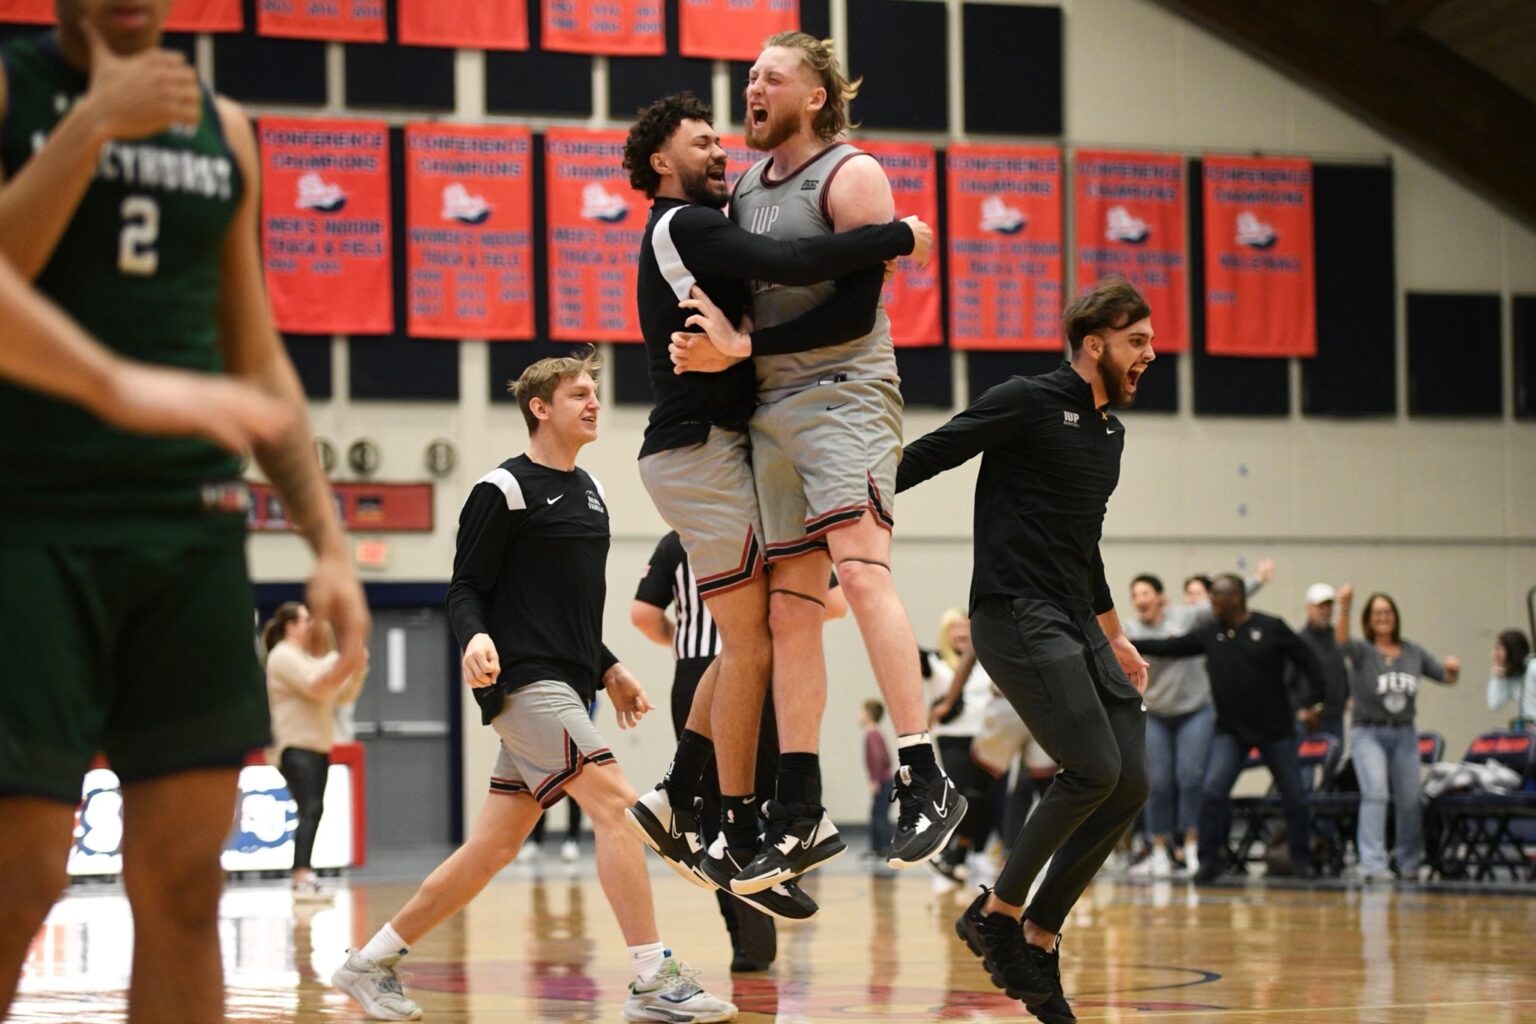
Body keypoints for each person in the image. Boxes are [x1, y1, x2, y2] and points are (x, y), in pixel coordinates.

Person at [0, 6, 370, 1021]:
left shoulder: (226, 127)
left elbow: (250, 350)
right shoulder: (13, 87)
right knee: (20, 871)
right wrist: (90, 128)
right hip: (30, 517)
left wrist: (326, 539)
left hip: (189, 526)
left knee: (185, 884)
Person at [330, 354, 734, 1024]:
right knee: (618, 809)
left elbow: (561, 610)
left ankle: (368, 961)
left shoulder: (591, 493)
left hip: (572, 684)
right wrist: (473, 637)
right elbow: (467, 588)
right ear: (540, 407)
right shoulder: (503, 489)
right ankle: (651, 978)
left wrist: (610, 667)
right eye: (579, 393)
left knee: (489, 850)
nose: (595, 403)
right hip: (526, 685)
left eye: (596, 393)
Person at [670, 32, 967, 889]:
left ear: (816, 94)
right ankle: (799, 805)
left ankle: (923, 771)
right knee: (790, 615)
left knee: (862, 572)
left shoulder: (853, 174)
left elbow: (851, 313)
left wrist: (742, 347)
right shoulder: (743, 193)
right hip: (770, 411)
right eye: (749, 76)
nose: (751, 87)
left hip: (842, 395)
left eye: (770, 76)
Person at [619, 91, 931, 904]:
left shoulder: (711, 222)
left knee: (760, 629)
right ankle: (728, 818)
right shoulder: (682, 223)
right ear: (662, 163)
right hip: (699, 452)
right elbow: (795, 266)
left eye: (722, 143)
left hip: (718, 444)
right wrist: (896, 236)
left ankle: (687, 794)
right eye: (700, 144)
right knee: (753, 638)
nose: (720, 153)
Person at [896, 278, 1157, 1024]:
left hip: (1077, 620)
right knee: (1094, 766)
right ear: (1095, 341)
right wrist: (844, 525)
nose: (1148, 355)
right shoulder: (1027, 398)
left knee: (1131, 780)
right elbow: (927, 455)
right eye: (1136, 342)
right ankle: (995, 915)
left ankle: (1037, 933)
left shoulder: (1111, 434)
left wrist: (1115, 634)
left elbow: (1086, 547)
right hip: (1014, 613)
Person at [1134, 575, 1327, 884]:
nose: (1211, 605)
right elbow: (1171, 647)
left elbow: (1309, 662)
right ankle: (1210, 862)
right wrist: (1125, 643)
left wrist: (1314, 703)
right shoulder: (1212, 633)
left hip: (1275, 729)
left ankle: (1301, 860)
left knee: (1294, 796)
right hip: (1232, 731)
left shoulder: (1270, 627)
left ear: (1234, 598)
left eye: (1216, 599)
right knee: (1212, 792)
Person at [0, 251, 290, 452]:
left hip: (183, 482)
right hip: (44, 469)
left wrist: (326, 535)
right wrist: (112, 385)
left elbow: (261, 355)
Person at [1123, 566, 1270, 876]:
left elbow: (1225, 601)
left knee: (1191, 778)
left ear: (1161, 598)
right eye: (1135, 595)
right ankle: (1159, 848)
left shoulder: (1185, 617)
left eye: (1146, 593)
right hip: (1157, 713)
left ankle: (1191, 845)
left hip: (1194, 711)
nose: (1140, 600)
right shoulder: (1130, 631)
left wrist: (1258, 579)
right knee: (1159, 783)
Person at [1334, 585, 1461, 882]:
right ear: (1368, 619)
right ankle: (1373, 863)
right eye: (1377, 613)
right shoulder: (1363, 651)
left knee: (1409, 798)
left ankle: (1408, 861)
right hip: (1369, 731)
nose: (1383, 618)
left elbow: (1445, 676)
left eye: (1387, 612)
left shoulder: (1412, 652)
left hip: (1403, 732)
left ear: (1396, 617)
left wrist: (1453, 669)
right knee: (1376, 793)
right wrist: (1345, 608)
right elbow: (1340, 642)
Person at [263, 602, 367, 901]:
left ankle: (304, 874)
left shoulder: (307, 658)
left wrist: (355, 669)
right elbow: (315, 683)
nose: (311, 625)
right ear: (290, 626)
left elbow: (340, 694)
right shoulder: (283, 657)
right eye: (306, 620)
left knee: (313, 809)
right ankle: (301, 876)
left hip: (317, 744)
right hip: (294, 744)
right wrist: (342, 657)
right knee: (309, 808)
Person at [926, 611, 1002, 884]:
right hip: (953, 738)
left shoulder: (984, 661)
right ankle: (947, 850)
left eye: (965, 628)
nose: (960, 633)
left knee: (988, 797)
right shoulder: (935, 661)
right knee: (960, 795)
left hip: (985, 737)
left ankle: (971, 851)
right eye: (954, 628)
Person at [1294, 583, 1350, 742]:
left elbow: (1342, 670)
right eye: (1320, 606)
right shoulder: (1299, 641)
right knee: (1306, 764)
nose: (1325, 611)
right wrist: (1298, 710)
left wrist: (1348, 695)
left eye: (1329, 606)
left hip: (1335, 714)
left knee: (1334, 760)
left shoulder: (1337, 638)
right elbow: (1287, 680)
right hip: (1310, 718)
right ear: (1309, 608)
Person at [860, 700, 895, 858]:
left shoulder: (872, 734)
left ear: (868, 714)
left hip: (882, 780)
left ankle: (884, 848)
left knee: (879, 815)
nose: (859, 715)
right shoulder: (877, 733)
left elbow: (877, 757)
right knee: (878, 814)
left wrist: (875, 779)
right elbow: (887, 758)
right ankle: (878, 847)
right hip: (886, 779)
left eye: (861, 711)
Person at [1488, 629, 1536, 726]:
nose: (1495, 654)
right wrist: (1497, 678)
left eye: (1499, 649)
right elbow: (1494, 704)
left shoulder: (1532, 667)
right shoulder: (1510, 677)